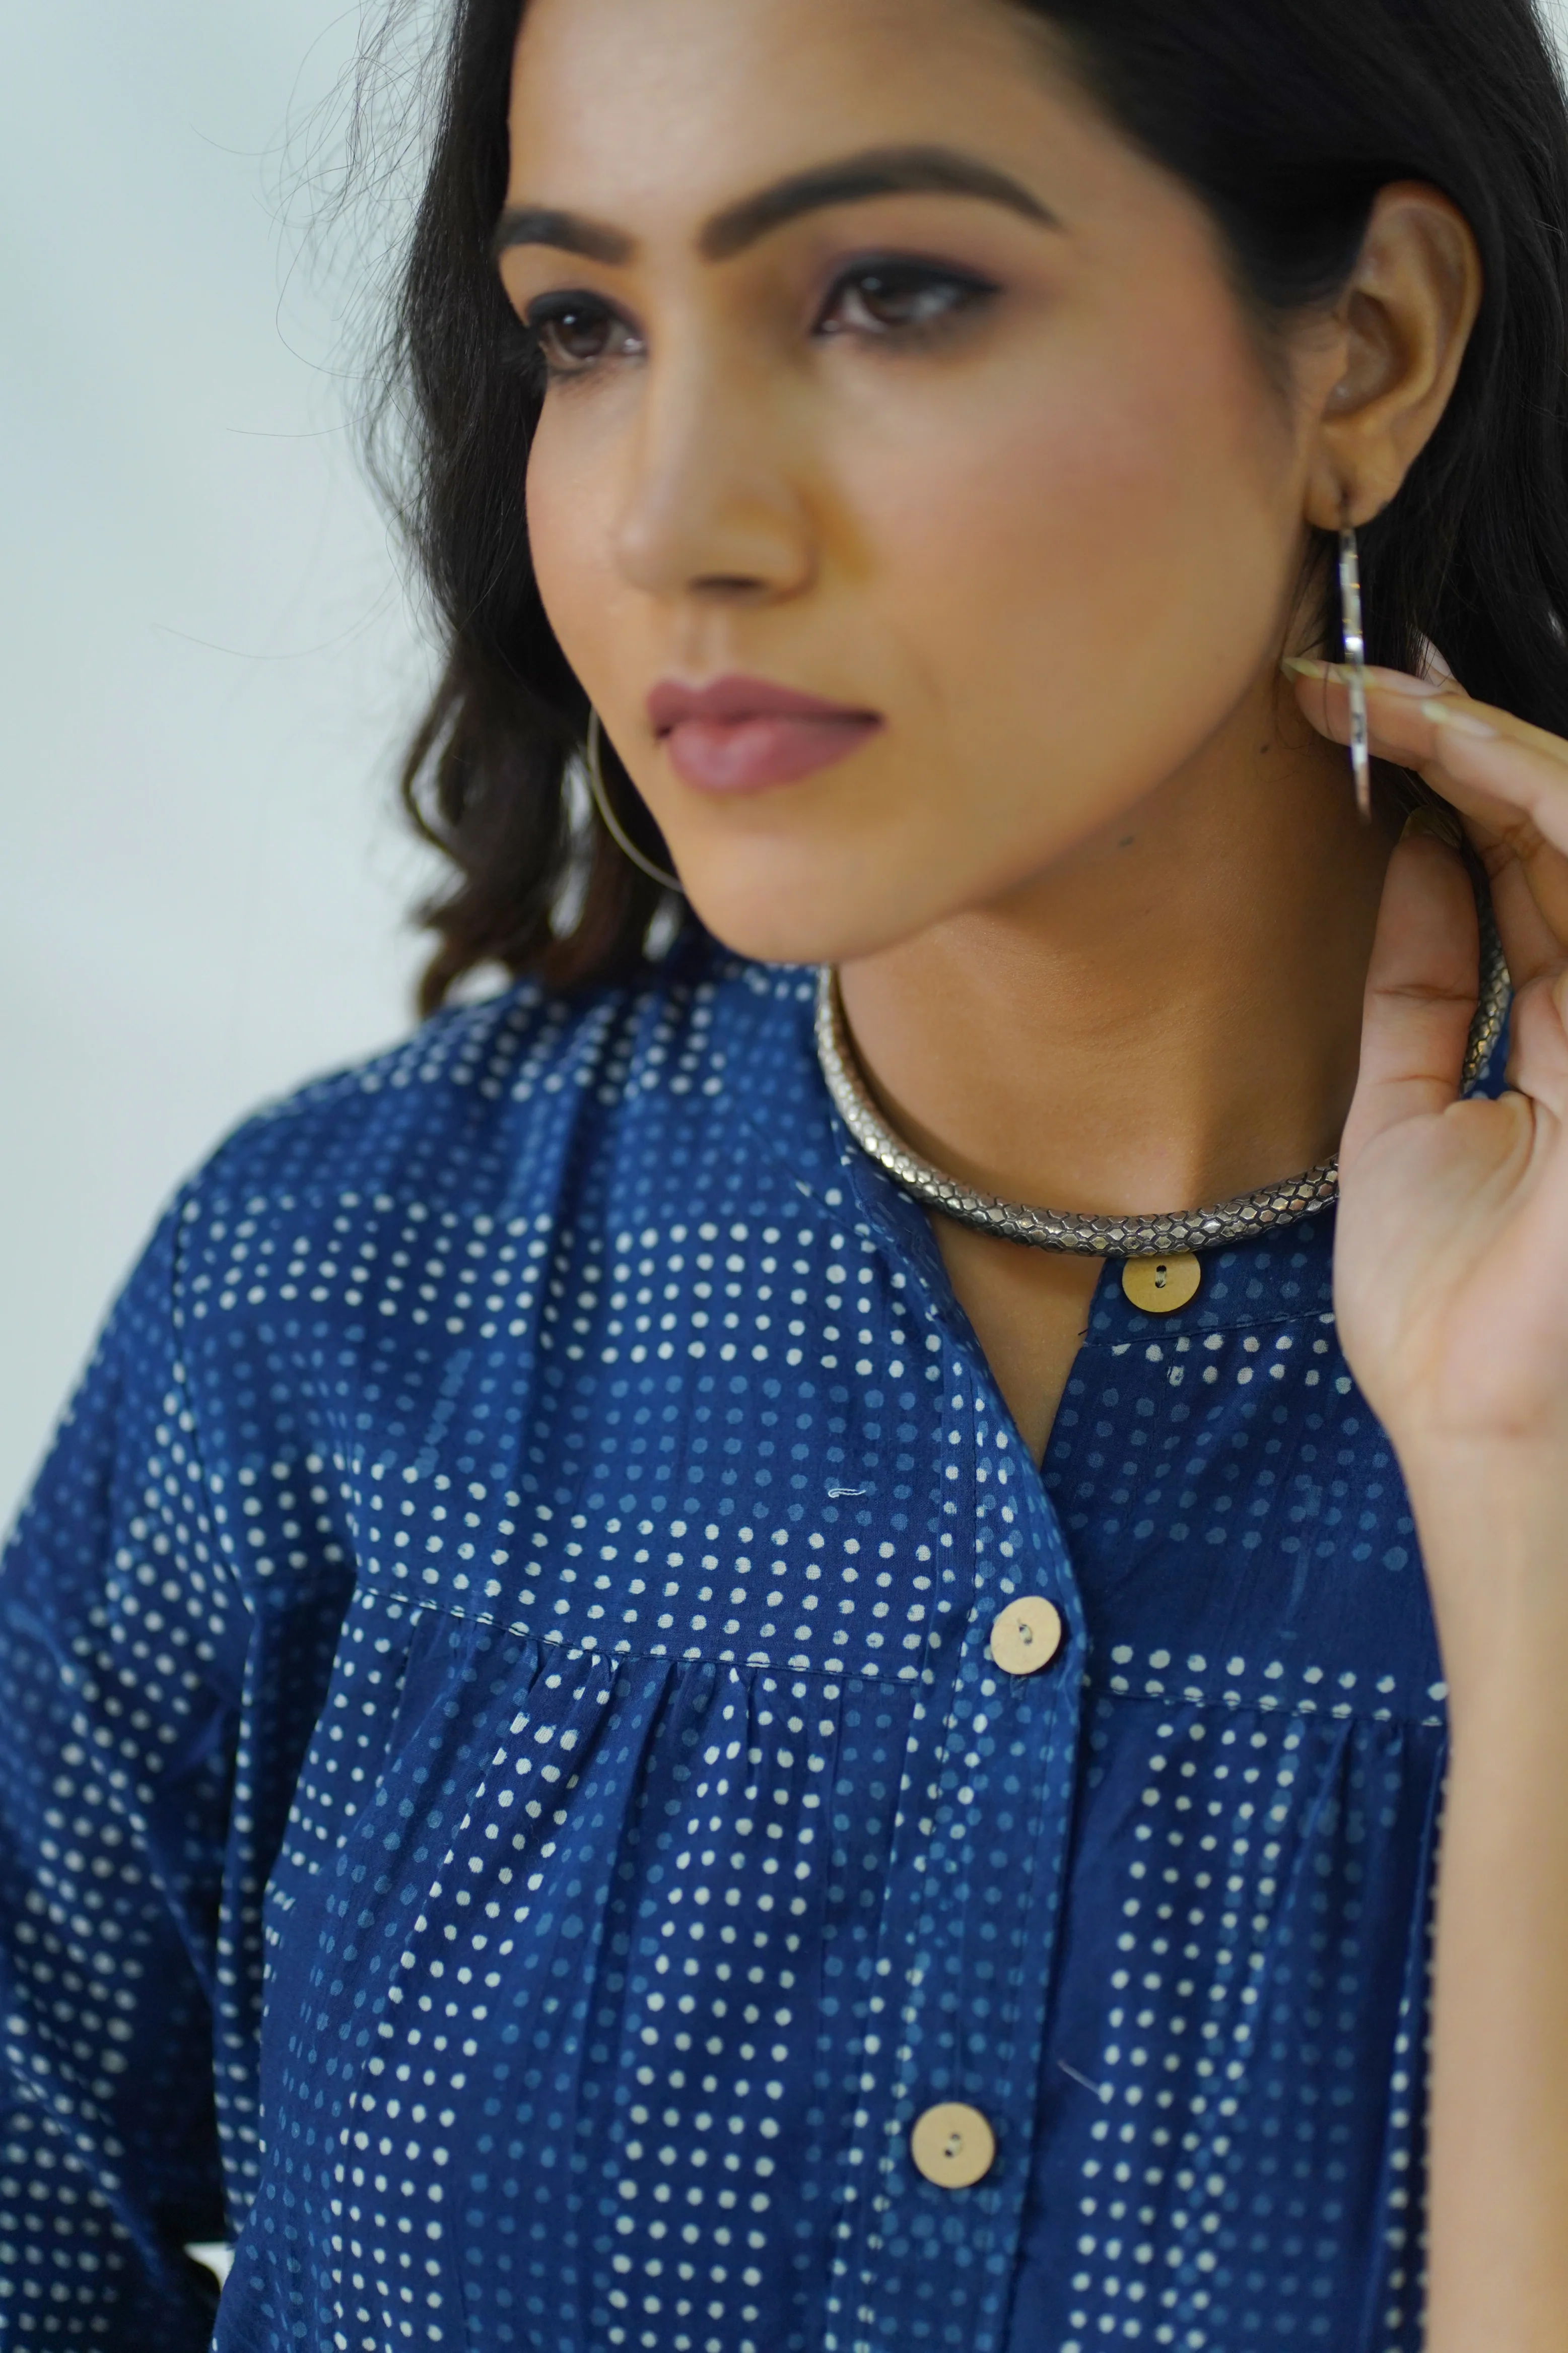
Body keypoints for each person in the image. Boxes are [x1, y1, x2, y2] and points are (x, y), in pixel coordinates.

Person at [6, 0, 1568, 2343]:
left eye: (887, 292)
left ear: (1363, 353)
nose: (665, 519)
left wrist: (1524, 1492)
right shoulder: (332, 1302)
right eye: (584, 327)